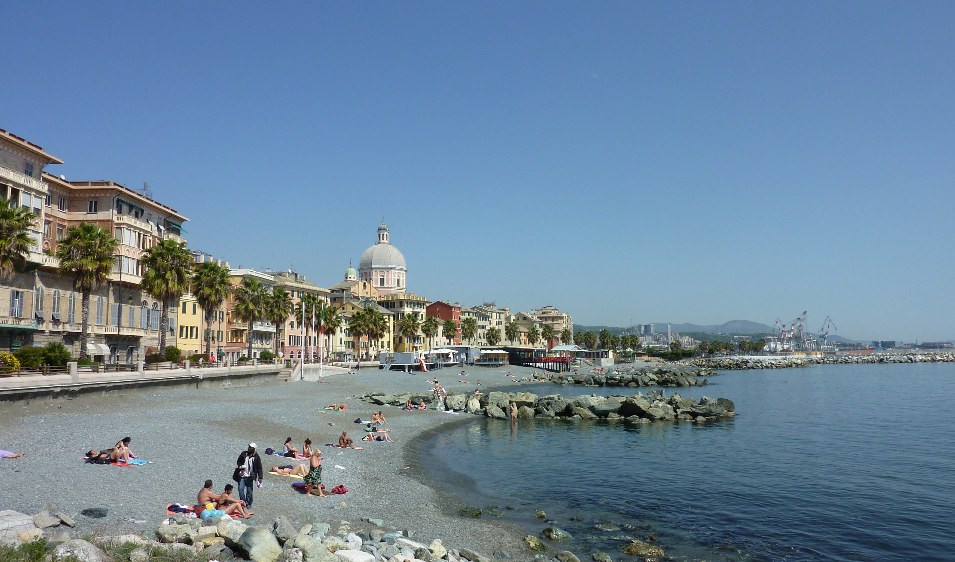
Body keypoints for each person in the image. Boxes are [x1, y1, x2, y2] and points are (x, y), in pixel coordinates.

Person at [235, 443, 263, 508]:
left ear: (254, 449)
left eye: (251, 447)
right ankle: (243, 502)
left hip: (250, 476)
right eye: (249, 447)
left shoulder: (256, 457)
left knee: (249, 491)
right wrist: (240, 466)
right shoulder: (244, 454)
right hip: (242, 475)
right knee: (240, 489)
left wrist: (260, 477)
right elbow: (238, 461)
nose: (249, 448)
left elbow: (259, 467)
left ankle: (249, 503)